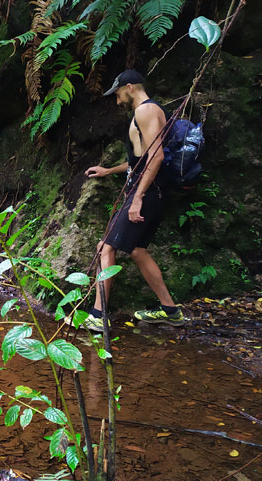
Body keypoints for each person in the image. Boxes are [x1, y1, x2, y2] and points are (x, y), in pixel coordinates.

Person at [78, 69, 184, 332]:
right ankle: (170, 311)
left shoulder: (145, 112)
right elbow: (141, 158)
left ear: (130, 87)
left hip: (146, 193)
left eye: (118, 94)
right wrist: (109, 171)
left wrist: (137, 198)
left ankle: (97, 316)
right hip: (152, 192)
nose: (117, 100)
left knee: (106, 247)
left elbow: (156, 157)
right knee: (137, 250)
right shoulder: (151, 112)